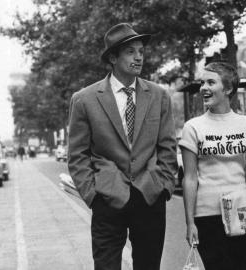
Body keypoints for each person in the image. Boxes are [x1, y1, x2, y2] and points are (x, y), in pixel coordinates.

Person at [67, 23, 178, 270]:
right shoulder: (84, 99)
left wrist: (164, 187)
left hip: (150, 196)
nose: (139, 57)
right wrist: (92, 195)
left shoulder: (159, 96)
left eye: (141, 51)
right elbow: (77, 155)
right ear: (113, 58)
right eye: (130, 51)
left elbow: (168, 147)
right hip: (106, 198)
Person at [179, 62, 246, 270]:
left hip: (241, 212)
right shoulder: (193, 127)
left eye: (210, 82)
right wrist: (190, 223)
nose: (203, 88)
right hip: (206, 216)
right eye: (202, 83)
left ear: (228, 89)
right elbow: (189, 178)